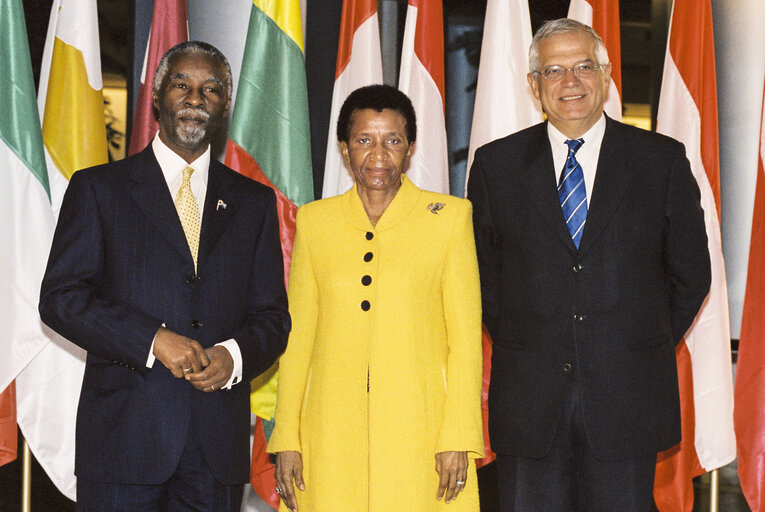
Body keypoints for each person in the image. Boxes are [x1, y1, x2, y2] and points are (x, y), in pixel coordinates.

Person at [468, 19, 711, 512]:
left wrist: (635, 338)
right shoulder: (496, 166)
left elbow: (690, 273)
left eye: (583, 67)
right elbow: (484, 278)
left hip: (628, 396)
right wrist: (532, 334)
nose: (571, 82)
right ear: (534, 86)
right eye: (554, 70)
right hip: (530, 400)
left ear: (606, 76)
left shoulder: (660, 161)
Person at [39, 41, 290, 511]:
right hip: (123, 446)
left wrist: (233, 358)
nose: (196, 98)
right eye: (182, 84)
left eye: (211, 89)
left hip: (213, 451)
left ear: (225, 107)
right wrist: (152, 339)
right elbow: (61, 298)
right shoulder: (99, 189)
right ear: (157, 98)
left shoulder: (253, 202)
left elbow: (272, 318)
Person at [267, 84, 484, 512]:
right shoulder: (315, 222)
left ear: (410, 148)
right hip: (329, 433)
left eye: (393, 141)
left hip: (421, 430)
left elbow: (465, 341)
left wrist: (458, 435)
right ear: (345, 149)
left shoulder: (449, 219)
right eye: (364, 140)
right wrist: (287, 436)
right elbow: (299, 339)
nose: (378, 155)